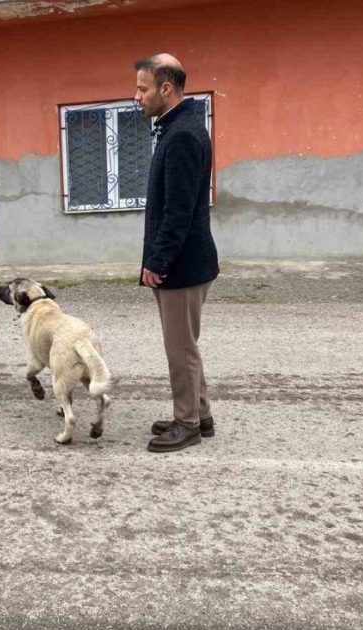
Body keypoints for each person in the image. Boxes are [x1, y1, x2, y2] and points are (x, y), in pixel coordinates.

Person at [134, 54, 219, 453]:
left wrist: (158, 261)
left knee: (180, 347)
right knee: (186, 344)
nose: (137, 96)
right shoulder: (179, 127)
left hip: (181, 266)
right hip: (183, 262)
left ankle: (187, 424)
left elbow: (179, 211)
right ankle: (198, 414)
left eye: (142, 88)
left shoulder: (182, 134)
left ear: (166, 89)